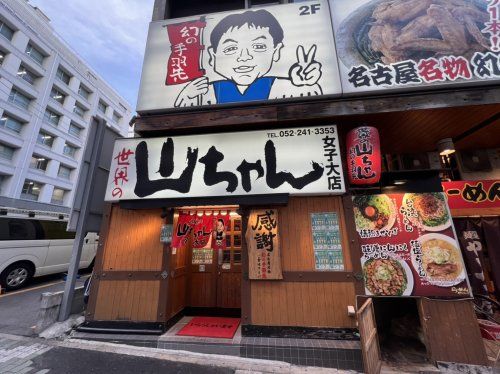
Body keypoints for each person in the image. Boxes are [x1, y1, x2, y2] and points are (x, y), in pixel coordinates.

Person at [174, 9, 323, 107]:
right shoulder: (204, 92)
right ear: (213, 56)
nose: (244, 57)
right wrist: (186, 96)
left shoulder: (281, 87)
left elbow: (313, 109)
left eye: (258, 47)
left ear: (276, 51)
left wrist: (305, 85)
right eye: (231, 48)